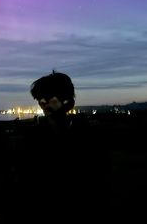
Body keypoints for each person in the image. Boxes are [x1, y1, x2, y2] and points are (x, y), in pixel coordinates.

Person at [7, 71, 109, 223]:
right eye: (40, 99)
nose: (43, 103)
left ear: (67, 100)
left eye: (49, 98)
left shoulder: (85, 138)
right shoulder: (35, 138)